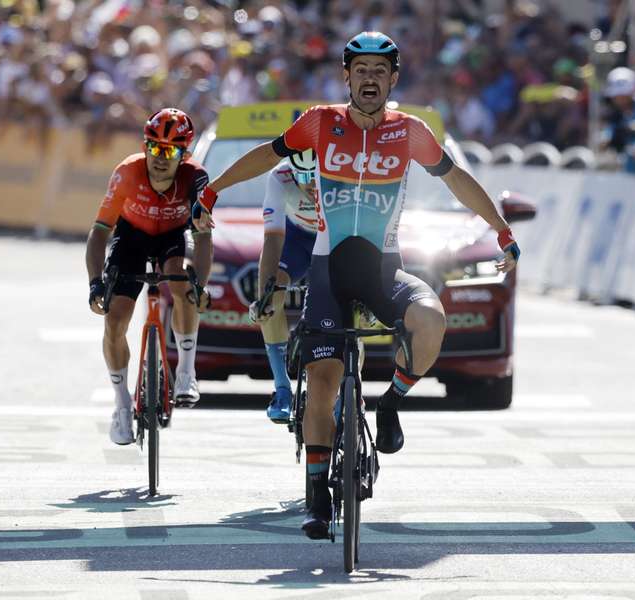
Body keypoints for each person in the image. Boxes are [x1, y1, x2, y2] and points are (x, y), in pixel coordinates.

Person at [191, 32, 521, 539]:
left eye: (379, 71)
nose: (370, 78)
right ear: (347, 77)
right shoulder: (322, 122)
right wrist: (212, 192)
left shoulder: (410, 132)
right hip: (327, 269)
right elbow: (267, 156)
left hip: (383, 269)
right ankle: (317, 494)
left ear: (393, 79)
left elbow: (455, 181)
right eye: (360, 70)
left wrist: (501, 230)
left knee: (431, 318)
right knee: (322, 381)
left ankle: (389, 404)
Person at [86, 107, 214, 445]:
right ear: (145, 146)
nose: (160, 157)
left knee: (182, 278)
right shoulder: (127, 173)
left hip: (173, 237)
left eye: (170, 151)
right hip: (132, 238)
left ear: (184, 154)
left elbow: (203, 237)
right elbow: (100, 231)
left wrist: (201, 284)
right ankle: (122, 405)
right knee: (115, 321)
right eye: (154, 147)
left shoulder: (196, 178)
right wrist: (95, 283)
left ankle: (186, 371)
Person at [248, 149, 320, 423]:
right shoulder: (279, 177)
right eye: (305, 176)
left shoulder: (343, 174)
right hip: (295, 240)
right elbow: (272, 238)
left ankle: (350, 394)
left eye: (317, 176)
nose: (312, 184)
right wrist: (266, 293)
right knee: (272, 291)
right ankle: (281, 388)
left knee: (348, 305)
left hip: (332, 238)